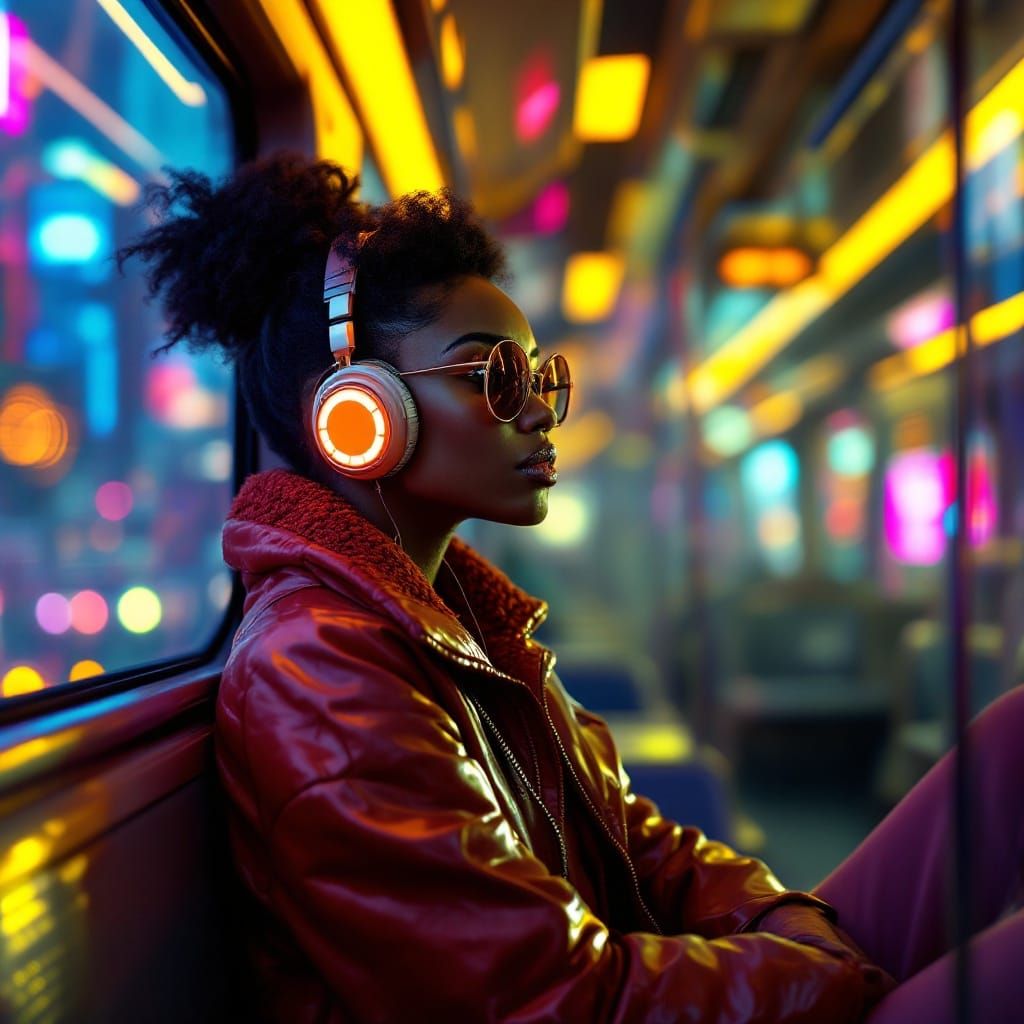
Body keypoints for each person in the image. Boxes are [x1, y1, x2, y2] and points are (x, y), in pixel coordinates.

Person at [120, 154, 1023, 1023]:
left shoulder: (458, 622)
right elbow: (546, 1002)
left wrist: (786, 931)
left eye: (542, 376)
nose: (543, 409)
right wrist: (820, 979)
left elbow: (638, 844)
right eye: (497, 376)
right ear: (356, 411)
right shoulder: (319, 669)